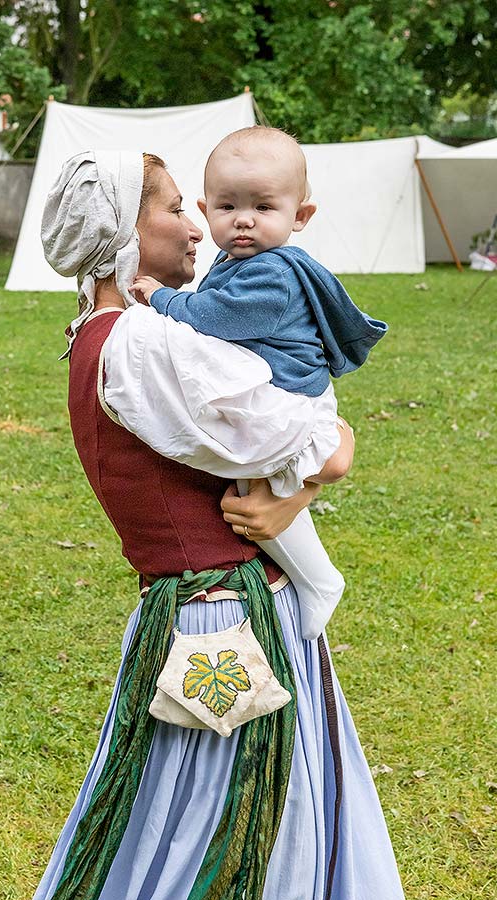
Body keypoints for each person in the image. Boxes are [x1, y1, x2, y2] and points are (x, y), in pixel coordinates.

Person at [34, 149, 405, 900]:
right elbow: (320, 449)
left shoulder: (95, 335)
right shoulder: (144, 341)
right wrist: (312, 477)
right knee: (226, 828)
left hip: (192, 613)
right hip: (223, 622)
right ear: (122, 233)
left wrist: (291, 497)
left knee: (172, 815)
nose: (197, 226)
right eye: (174, 208)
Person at [129, 127, 388, 640]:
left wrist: (161, 298)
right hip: (283, 393)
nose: (243, 219)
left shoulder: (271, 273)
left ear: (301, 216)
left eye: (263, 207)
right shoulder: (242, 260)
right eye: (227, 206)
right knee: (259, 488)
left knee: (257, 484)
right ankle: (312, 577)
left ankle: (318, 580)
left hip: (291, 398)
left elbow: (216, 316)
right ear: (208, 210)